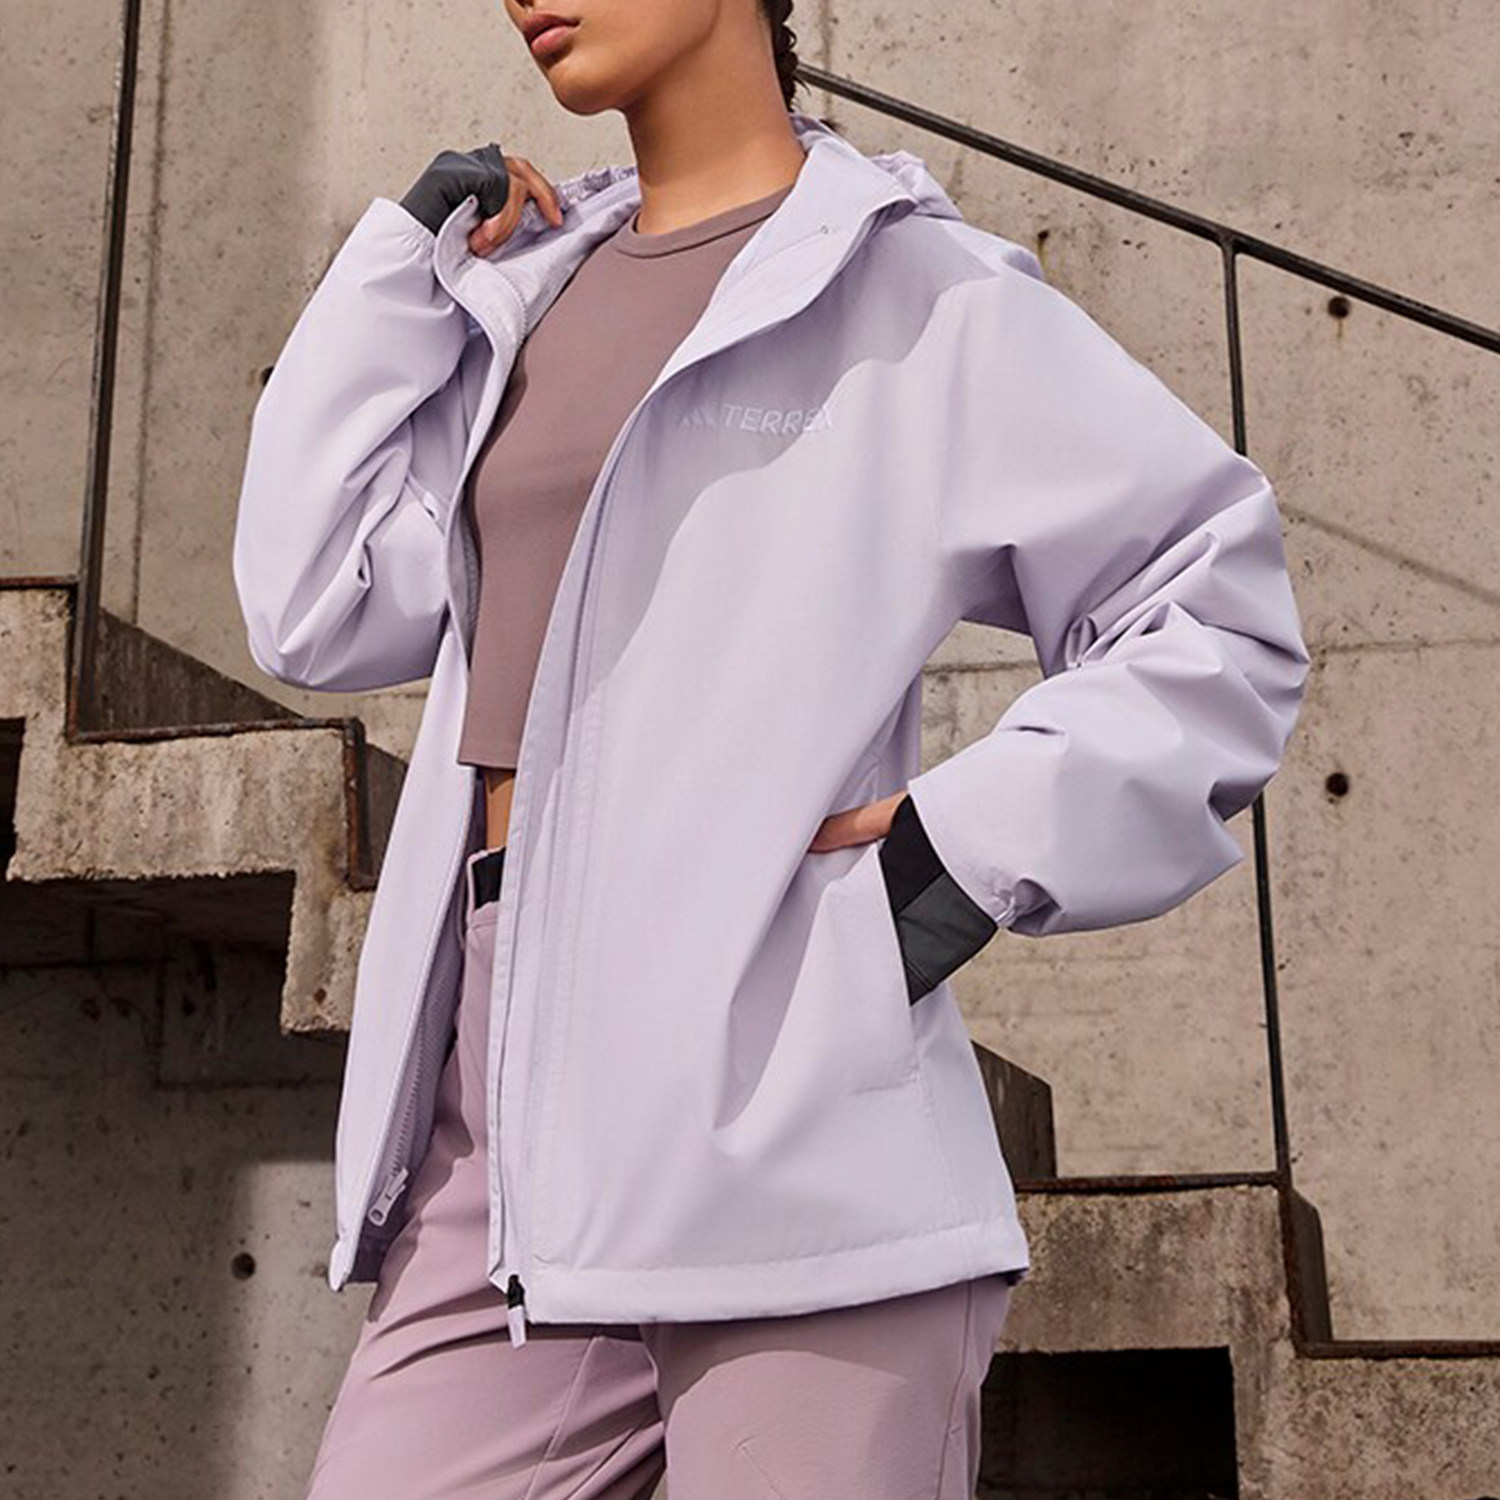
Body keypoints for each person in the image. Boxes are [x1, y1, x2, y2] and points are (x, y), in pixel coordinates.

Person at [231, 0, 1311, 1494]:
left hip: (789, 1126)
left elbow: (1217, 612)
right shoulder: (528, 290)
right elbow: (314, 604)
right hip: (504, 1120)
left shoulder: (915, 294)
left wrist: (951, 864)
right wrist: (397, 271)